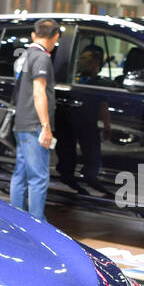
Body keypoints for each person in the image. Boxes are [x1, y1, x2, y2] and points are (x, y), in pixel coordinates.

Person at [9, 18, 60, 222]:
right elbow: (39, 93)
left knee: (20, 175)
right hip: (34, 125)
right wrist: (46, 126)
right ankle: (37, 223)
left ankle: (17, 220)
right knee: (38, 178)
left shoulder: (25, 55)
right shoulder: (41, 58)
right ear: (55, 37)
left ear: (34, 34)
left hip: (21, 122)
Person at [56, 44, 109, 195]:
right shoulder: (75, 81)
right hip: (70, 125)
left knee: (91, 158)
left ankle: (90, 180)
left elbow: (104, 107)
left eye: (84, 58)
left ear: (95, 63)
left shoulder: (102, 84)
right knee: (68, 155)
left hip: (89, 127)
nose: (79, 60)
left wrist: (107, 125)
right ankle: (71, 179)